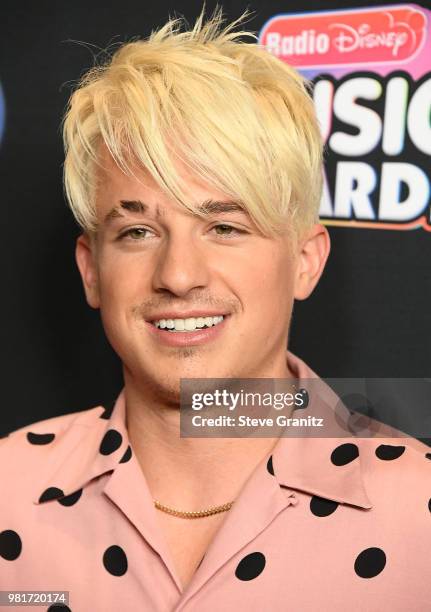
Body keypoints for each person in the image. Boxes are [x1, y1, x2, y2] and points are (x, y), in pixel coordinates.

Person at [1, 6, 429, 611]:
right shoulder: (8, 490)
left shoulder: (421, 515)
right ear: (91, 270)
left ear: (305, 260)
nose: (178, 275)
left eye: (225, 226)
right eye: (138, 233)